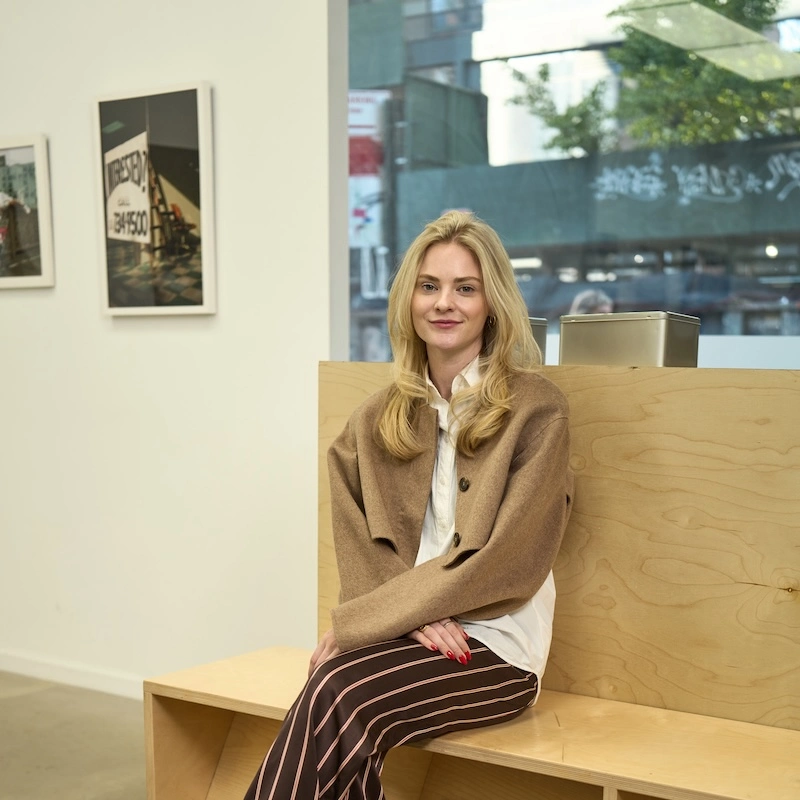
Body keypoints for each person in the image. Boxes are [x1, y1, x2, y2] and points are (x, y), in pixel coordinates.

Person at [244, 210, 574, 800]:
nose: (444, 303)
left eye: (465, 288)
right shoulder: (374, 418)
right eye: (429, 286)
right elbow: (357, 538)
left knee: (340, 692)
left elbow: (509, 560)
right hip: (404, 635)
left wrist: (382, 617)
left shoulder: (537, 410)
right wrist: (406, 617)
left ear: (492, 303)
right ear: (408, 300)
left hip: (497, 649)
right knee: (332, 686)